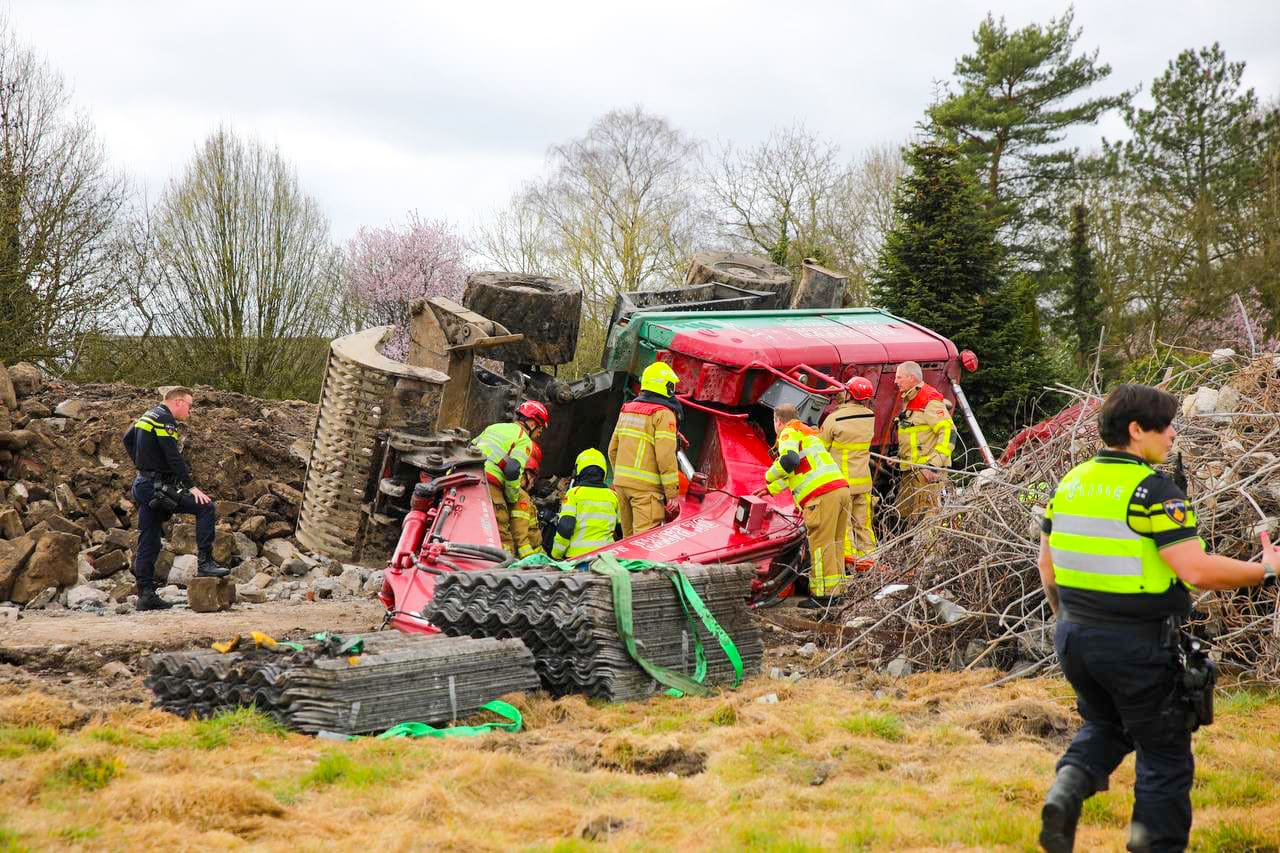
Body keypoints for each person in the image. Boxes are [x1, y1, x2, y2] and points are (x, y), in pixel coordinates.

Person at [1036, 383, 1279, 853]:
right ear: (1135, 429)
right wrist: (1266, 570)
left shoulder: (1071, 482)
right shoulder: (1153, 492)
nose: (1172, 435)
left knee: (1107, 725)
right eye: (1165, 426)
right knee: (1164, 752)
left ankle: (1066, 789)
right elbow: (1196, 571)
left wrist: (1068, 623)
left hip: (1074, 635)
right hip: (1136, 642)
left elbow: (1046, 565)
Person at [122, 386, 228, 612]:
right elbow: (173, 456)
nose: (190, 411)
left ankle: (145, 594)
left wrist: (143, 465)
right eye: (189, 406)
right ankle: (206, 564)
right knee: (205, 507)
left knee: (149, 537)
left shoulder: (147, 416)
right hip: (157, 486)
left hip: (143, 484)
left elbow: (127, 438)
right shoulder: (165, 421)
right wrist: (192, 487)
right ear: (178, 402)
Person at [763, 403, 851, 608]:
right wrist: (772, 489)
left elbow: (790, 460)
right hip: (840, 490)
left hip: (821, 496)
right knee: (835, 543)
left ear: (777, 421)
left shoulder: (787, 433)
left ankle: (822, 597)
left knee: (820, 545)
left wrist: (768, 477)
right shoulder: (809, 435)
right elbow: (801, 469)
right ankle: (837, 592)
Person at [608, 361, 681, 537]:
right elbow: (665, 457)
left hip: (622, 486)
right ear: (666, 386)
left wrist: (620, 477)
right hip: (646, 492)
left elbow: (612, 449)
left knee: (627, 541)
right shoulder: (663, 414)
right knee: (642, 543)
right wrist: (672, 493)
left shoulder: (627, 409)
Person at [471, 400, 548, 554]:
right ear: (532, 423)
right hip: (489, 484)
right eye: (539, 429)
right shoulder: (524, 439)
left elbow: (470, 447)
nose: (539, 434)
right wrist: (512, 498)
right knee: (502, 537)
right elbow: (513, 470)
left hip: (465, 476)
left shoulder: (494, 427)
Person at [820, 376, 877, 568]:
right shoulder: (870, 417)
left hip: (843, 484)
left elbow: (821, 448)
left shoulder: (834, 419)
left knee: (845, 527)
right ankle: (869, 564)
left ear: (848, 393)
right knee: (864, 526)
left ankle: (850, 566)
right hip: (864, 482)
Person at [892, 361, 953, 524]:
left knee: (927, 521)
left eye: (899, 377)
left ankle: (931, 550)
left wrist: (933, 465)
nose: (895, 381)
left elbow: (949, 433)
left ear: (911, 378)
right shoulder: (910, 400)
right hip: (911, 470)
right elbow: (916, 435)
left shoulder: (929, 400)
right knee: (906, 517)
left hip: (927, 473)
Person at [551, 448, 619, 561]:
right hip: (606, 558)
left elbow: (565, 527)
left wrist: (556, 554)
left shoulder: (574, 493)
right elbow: (622, 528)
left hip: (576, 558)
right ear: (604, 471)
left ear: (579, 469)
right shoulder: (613, 496)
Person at [509, 443, 543, 560]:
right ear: (524, 473)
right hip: (528, 555)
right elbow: (520, 535)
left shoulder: (513, 492)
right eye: (532, 475)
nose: (533, 481)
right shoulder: (521, 496)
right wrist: (530, 561)